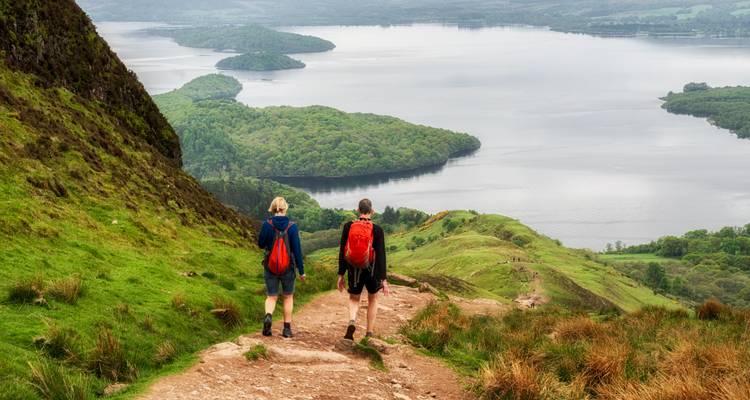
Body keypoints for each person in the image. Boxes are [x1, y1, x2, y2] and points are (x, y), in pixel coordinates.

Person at [337, 198, 390, 340]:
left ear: (358, 210)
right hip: (372, 270)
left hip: (354, 269)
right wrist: (383, 279)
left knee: (354, 299)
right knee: (373, 299)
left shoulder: (348, 226)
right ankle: (369, 333)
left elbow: (342, 250)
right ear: (372, 211)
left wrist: (341, 274)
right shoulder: (377, 230)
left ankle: (352, 321)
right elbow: (381, 255)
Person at [257, 197, 305, 338]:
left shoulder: (267, 224)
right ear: (285, 208)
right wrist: (301, 271)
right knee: (288, 296)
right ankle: (287, 329)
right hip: (288, 268)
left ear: (273, 208)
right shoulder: (292, 226)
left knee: (271, 296)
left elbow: (260, 244)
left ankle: (268, 317)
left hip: (270, 266)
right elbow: (297, 250)